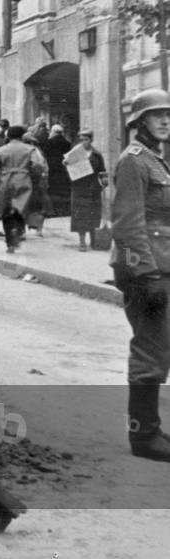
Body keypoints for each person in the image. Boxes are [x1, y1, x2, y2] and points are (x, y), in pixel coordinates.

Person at [110, 88, 170, 462]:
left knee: (163, 344)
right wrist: (145, 275)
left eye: (167, 115)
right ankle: (143, 436)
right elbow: (127, 223)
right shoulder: (133, 161)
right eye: (155, 115)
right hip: (145, 270)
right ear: (139, 122)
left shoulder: (157, 161)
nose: (164, 120)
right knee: (152, 346)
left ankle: (152, 429)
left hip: (162, 265)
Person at [0, 125, 45, 253]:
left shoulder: (1, 150)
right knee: (21, 208)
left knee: (6, 210)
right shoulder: (30, 149)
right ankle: (18, 231)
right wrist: (33, 177)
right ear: (22, 136)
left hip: (5, 181)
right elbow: (38, 165)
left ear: (8, 136)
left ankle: (10, 243)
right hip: (23, 179)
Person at [67, 129, 107, 251]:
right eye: (81, 140)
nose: (84, 142)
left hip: (93, 187)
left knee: (94, 214)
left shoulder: (97, 154)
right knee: (80, 215)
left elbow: (102, 170)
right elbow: (69, 172)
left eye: (86, 140)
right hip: (79, 187)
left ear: (91, 140)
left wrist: (105, 181)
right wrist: (66, 164)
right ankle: (82, 242)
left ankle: (94, 241)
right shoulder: (74, 153)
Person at [43, 124, 73, 215]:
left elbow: (45, 154)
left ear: (54, 132)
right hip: (63, 169)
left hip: (52, 169)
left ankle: (56, 210)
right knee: (63, 190)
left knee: (54, 190)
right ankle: (65, 211)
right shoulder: (67, 143)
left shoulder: (49, 142)